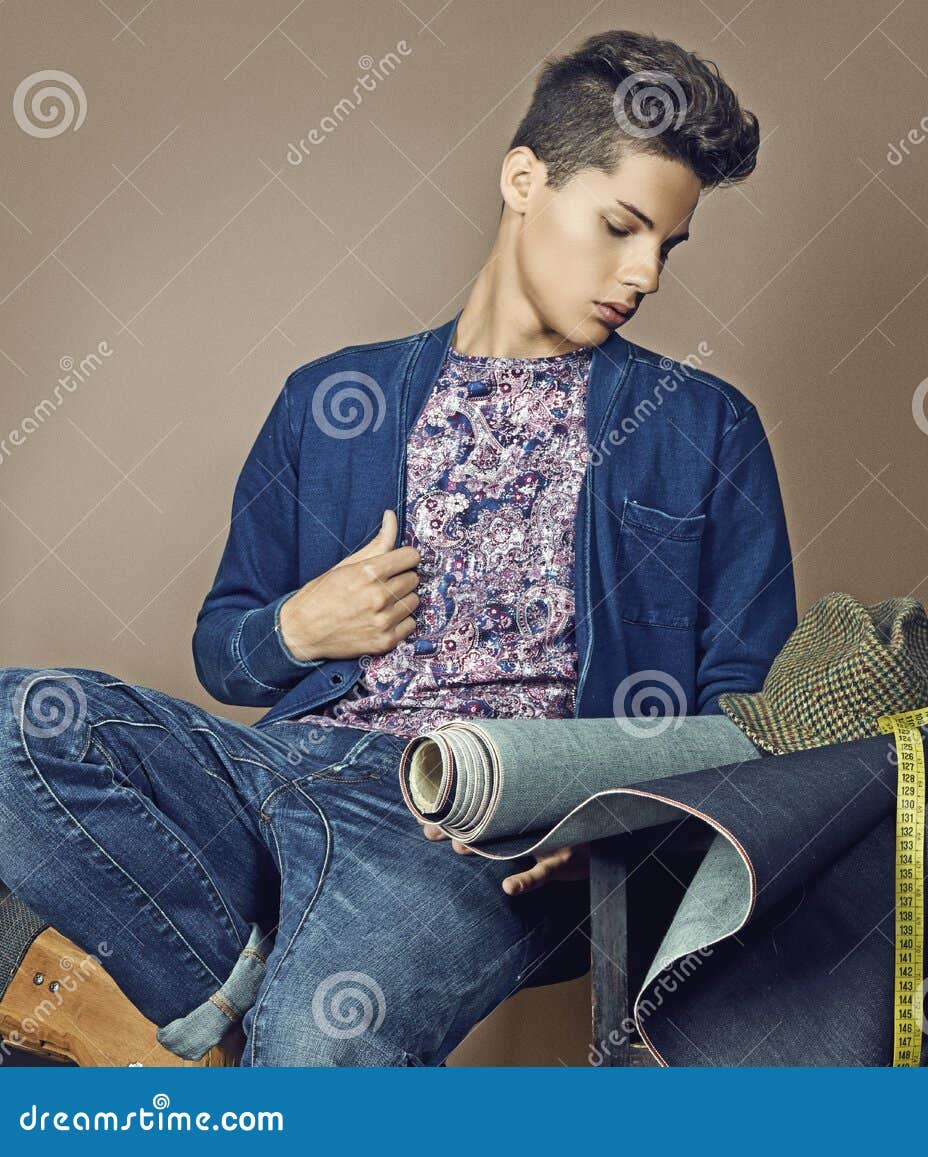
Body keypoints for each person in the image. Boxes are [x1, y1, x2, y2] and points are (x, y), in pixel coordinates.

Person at [0, 29, 795, 1067]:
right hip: (281, 765)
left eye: (666, 245)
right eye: (620, 226)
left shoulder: (703, 426)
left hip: (478, 829)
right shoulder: (335, 400)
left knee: (322, 1046)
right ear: (525, 180)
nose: (643, 272)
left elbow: (748, 712)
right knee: (19, 721)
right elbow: (222, 650)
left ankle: (254, 1043)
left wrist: (614, 830)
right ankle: (233, 1003)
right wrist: (298, 622)